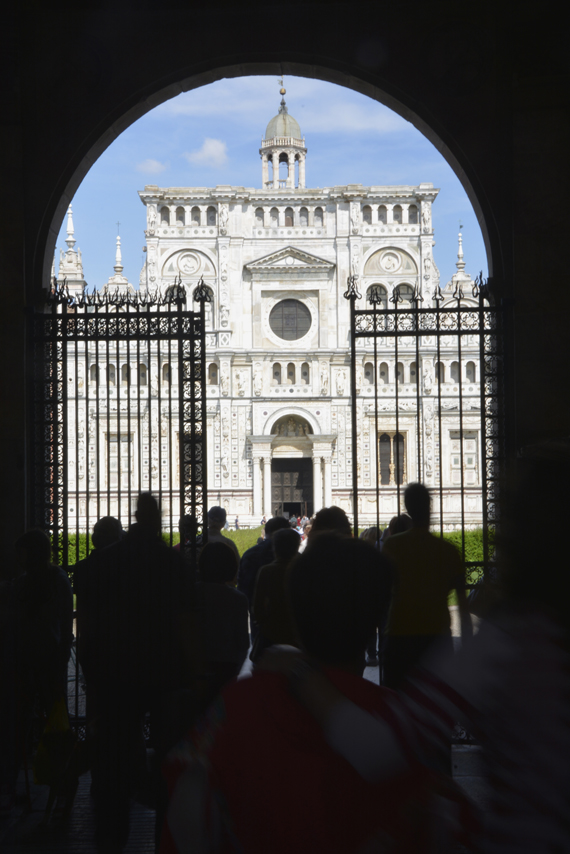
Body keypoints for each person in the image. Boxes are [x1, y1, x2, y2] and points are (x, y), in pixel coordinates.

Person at [261, 443, 570, 853]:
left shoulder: (510, 646)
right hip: (438, 639)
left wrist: (297, 667)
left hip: (404, 646)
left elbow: (378, 747)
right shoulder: (453, 556)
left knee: (418, 725)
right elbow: (462, 601)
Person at [161, 535, 436, 854]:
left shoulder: (234, 709)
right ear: (380, 618)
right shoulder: (399, 722)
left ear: (296, 611)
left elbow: (185, 818)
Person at [80, 493, 191, 852]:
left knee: (113, 763)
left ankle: (111, 840)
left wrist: (89, 672)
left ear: (133, 517)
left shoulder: (103, 563)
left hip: (115, 673)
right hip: (164, 674)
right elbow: (183, 623)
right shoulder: (173, 563)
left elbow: (89, 625)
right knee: (167, 759)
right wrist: (194, 674)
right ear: (157, 520)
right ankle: (166, 838)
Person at [382, 483, 472, 687]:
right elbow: (463, 606)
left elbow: (382, 592)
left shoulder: (392, 546)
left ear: (407, 507)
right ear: (429, 506)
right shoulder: (448, 551)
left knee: (398, 702)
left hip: (399, 634)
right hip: (437, 638)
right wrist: (467, 647)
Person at [196, 543, 249, 710]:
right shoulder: (238, 599)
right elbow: (242, 642)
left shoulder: (189, 593)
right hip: (225, 665)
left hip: (194, 663)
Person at [237, 515, 290, 645]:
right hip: (289, 619)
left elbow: (243, 586)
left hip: (259, 618)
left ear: (266, 531)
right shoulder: (296, 558)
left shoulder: (250, 554)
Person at [251, 527, 301, 655]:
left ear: (275, 548)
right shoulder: (303, 569)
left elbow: (257, 606)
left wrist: (263, 624)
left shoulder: (267, 571)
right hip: (298, 631)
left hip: (273, 631)